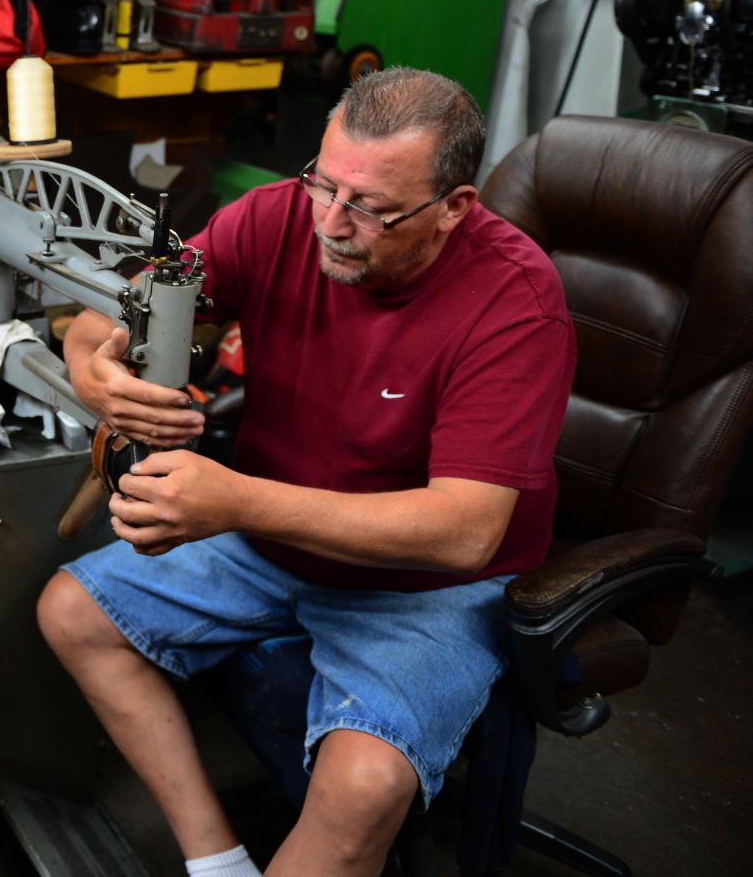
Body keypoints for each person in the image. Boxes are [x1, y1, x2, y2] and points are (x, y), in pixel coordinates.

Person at [37, 68, 576, 877]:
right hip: (268, 535)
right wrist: (90, 367)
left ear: (454, 209)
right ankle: (216, 862)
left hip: (420, 583)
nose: (329, 222)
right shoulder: (275, 217)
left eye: (369, 207)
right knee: (73, 614)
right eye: (323, 184)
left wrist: (235, 499)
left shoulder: (515, 305)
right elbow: (116, 308)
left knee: (360, 790)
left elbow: (464, 534)